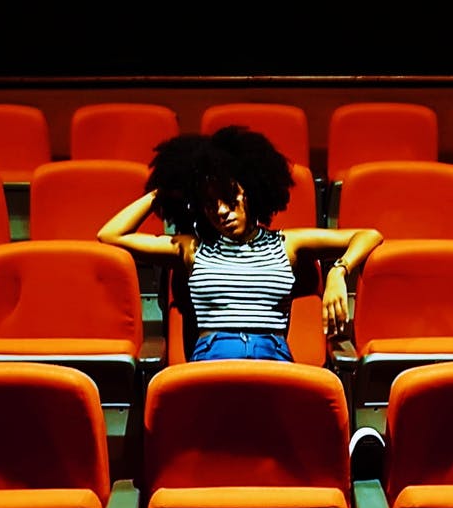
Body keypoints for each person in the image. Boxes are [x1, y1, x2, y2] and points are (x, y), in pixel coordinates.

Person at [97, 126, 382, 362]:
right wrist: (167, 188)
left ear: (253, 194)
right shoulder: (191, 248)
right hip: (213, 357)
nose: (221, 211)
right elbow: (111, 235)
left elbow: (369, 235)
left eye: (230, 199)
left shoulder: (288, 243)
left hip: (273, 356)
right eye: (210, 204)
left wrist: (338, 272)